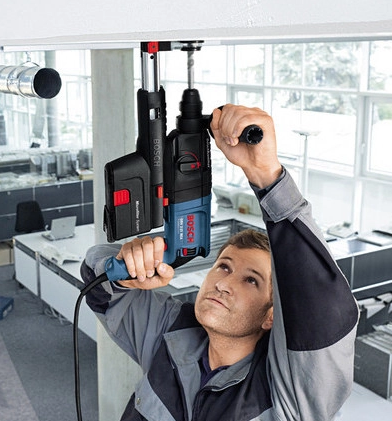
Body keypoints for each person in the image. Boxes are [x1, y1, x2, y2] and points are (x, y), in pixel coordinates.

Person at [81, 104, 359, 421]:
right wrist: (124, 272)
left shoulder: (289, 391)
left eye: (251, 280)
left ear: (271, 316)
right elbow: (96, 283)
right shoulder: (169, 332)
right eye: (224, 266)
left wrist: (266, 176)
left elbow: (322, 308)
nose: (224, 283)